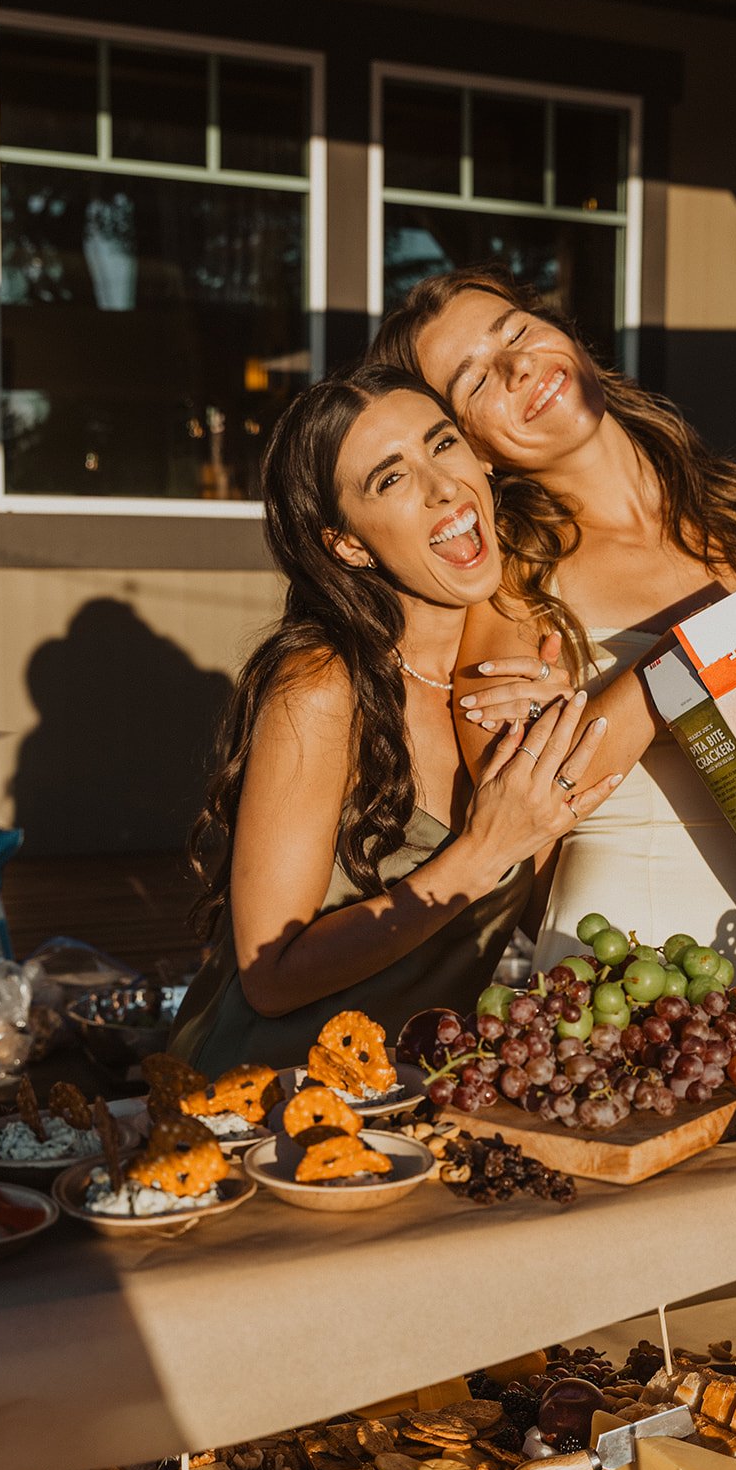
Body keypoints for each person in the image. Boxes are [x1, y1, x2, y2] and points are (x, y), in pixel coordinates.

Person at [372, 268, 736, 999]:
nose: (517, 368)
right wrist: (667, 676)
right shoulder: (508, 580)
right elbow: (517, 836)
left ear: (565, 335)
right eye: (476, 381)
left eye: (516, 333)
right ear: (470, 448)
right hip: (626, 970)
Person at [171, 364, 619, 1075]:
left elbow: (539, 911)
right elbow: (271, 976)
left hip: (416, 1098)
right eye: (391, 478)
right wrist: (478, 853)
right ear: (347, 545)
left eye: (442, 445)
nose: (442, 486)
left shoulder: (524, 655)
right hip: (265, 1101)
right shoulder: (322, 686)